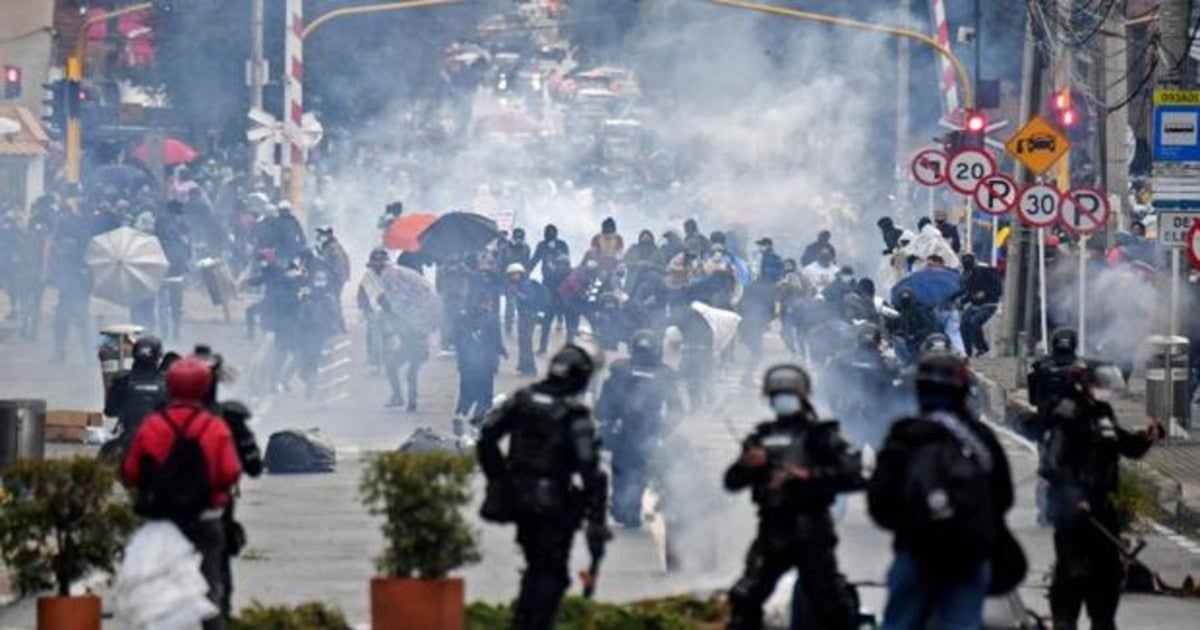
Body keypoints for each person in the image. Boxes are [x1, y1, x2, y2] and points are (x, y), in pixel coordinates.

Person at [868, 351, 1015, 629]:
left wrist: (915, 526)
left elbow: (880, 505)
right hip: (969, 558)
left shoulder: (905, 435)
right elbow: (1003, 497)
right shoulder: (980, 439)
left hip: (916, 555)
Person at [476, 346, 610, 630]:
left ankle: (525, 621)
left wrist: (501, 480)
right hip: (554, 504)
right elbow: (591, 471)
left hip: (520, 500)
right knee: (550, 574)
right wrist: (596, 520)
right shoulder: (574, 414)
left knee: (535, 565)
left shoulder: (523, 400)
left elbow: (487, 437)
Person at [724, 364, 862, 629]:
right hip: (773, 531)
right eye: (777, 395)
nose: (782, 400)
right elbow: (732, 481)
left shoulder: (821, 436)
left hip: (812, 530)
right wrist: (748, 465)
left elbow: (853, 476)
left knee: (829, 605)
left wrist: (808, 476)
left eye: (788, 395)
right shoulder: (762, 437)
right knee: (745, 597)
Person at [1036, 363, 1160, 630]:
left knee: (1107, 573)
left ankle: (1103, 620)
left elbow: (1123, 443)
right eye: (1102, 386)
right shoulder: (1067, 413)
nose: (1106, 391)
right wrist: (1073, 496)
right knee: (1073, 570)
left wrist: (1146, 439)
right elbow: (1051, 463)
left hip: (1101, 504)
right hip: (1073, 508)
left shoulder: (1102, 412)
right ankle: (1065, 621)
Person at [123, 357, 243, 630]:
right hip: (205, 520)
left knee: (157, 595)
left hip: (162, 522)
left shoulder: (152, 426)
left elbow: (131, 472)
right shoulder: (213, 427)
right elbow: (230, 473)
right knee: (209, 590)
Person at [595, 330, 682, 527]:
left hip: (622, 428)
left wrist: (605, 422)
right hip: (648, 430)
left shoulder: (620, 368)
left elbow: (605, 400)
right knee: (639, 470)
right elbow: (677, 408)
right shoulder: (664, 373)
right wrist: (664, 431)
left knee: (621, 469)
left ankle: (622, 507)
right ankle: (629, 509)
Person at [452, 296, 506, 432]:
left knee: (466, 391)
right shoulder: (491, 319)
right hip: (485, 364)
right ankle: (477, 420)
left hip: (465, 363)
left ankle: (460, 414)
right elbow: (496, 340)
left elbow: (452, 339)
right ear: (485, 303)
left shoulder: (461, 317)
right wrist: (502, 352)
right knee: (484, 394)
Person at [103, 336, 166, 452]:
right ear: (158, 358)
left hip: (128, 441)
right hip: (159, 443)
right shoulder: (167, 383)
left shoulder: (121, 381)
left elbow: (109, 411)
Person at [505, 263, 546, 376]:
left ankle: (530, 368)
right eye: (511, 275)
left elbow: (529, 299)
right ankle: (523, 366)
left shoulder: (526, 284)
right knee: (523, 341)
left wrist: (516, 293)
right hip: (524, 316)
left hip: (529, 316)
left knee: (526, 342)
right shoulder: (520, 284)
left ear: (521, 274)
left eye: (515, 274)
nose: (513, 277)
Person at [959, 253, 1002, 357]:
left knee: (974, 322)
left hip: (989, 304)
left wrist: (986, 293)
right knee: (963, 323)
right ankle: (967, 351)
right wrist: (962, 302)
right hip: (975, 305)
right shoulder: (966, 274)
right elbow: (968, 292)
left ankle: (982, 348)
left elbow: (998, 289)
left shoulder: (985, 270)